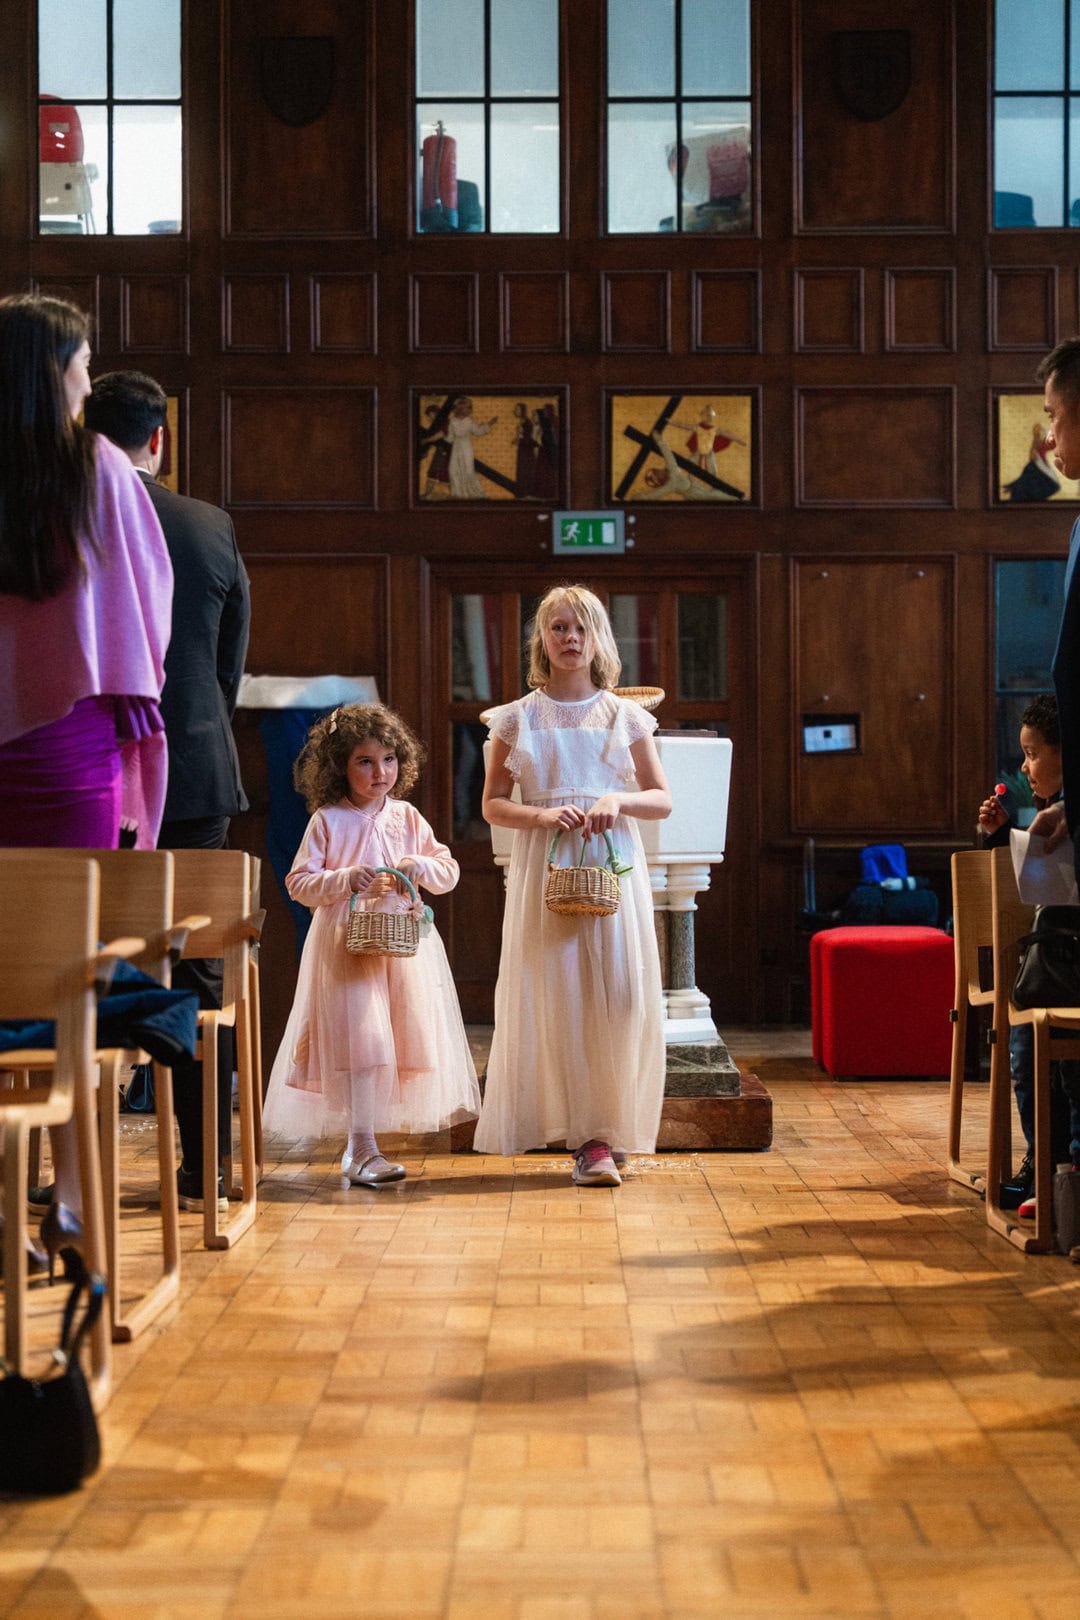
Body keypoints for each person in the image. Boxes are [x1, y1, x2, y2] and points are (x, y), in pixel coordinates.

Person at [0, 294, 172, 1268]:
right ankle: (68, 1204)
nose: (86, 377)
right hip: (68, 754)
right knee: (67, 975)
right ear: (51, 371)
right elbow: (143, 610)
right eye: (80, 362)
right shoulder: (99, 466)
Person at [83, 369, 251, 1214]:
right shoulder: (207, 526)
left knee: (66, 955)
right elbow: (226, 668)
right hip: (189, 772)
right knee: (198, 972)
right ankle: (204, 1167)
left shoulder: (63, 513)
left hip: (81, 775)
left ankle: (61, 1171)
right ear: (162, 440)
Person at [474, 584, 672, 1185]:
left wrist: (617, 798)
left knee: (620, 996)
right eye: (559, 627)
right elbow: (492, 805)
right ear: (543, 638)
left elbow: (661, 799)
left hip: (611, 863)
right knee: (557, 996)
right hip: (548, 865)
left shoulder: (626, 715)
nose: (570, 639)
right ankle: (587, 1140)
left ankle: (610, 1128)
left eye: (581, 629)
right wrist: (539, 815)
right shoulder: (517, 717)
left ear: (598, 640)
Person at [262, 703, 479, 1185]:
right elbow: (299, 882)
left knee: (396, 1037)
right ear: (340, 766)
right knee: (364, 1040)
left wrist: (421, 868)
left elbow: (448, 872)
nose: (379, 772)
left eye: (388, 760)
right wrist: (344, 879)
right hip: (346, 949)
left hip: (401, 950)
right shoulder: (327, 820)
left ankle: (368, 1143)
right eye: (364, 761)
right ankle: (361, 1148)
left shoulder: (407, 816)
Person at [977, 693, 1071, 1201]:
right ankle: (1045, 1162)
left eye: (1034, 753)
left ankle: (1057, 1169)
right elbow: (1033, 889)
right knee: (1025, 1046)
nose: (1025, 765)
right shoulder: (1051, 813)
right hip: (1054, 962)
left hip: (1064, 965)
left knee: (1032, 1042)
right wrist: (999, 839)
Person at [446, 396, 497, 498]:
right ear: (461, 408)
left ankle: (473, 493)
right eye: (468, 408)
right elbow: (450, 438)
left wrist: (489, 424)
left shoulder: (469, 421)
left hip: (466, 448)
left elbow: (478, 431)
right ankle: (458, 494)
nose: (470, 410)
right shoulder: (452, 421)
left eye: (470, 407)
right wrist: (440, 438)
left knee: (468, 471)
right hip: (456, 449)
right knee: (453, 470)